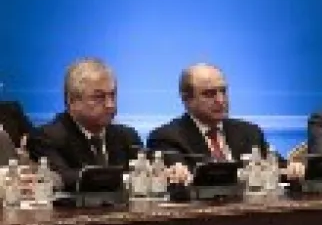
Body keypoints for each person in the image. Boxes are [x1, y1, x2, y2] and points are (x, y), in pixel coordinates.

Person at [28, 58, 147, 188]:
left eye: (112, 95)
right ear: (72, 101)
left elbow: (147, 174)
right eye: (98, 97)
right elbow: (65, 179)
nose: (110, 105)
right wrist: (128, 179)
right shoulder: (47, 138)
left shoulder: (127, 136)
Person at [147, 64, 271, 161]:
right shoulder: (167, 138)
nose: (220, 100)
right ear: (187, 99)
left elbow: (277, 168)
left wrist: (289, 167)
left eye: (223, 91)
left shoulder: (250, 132)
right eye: (209, 94)